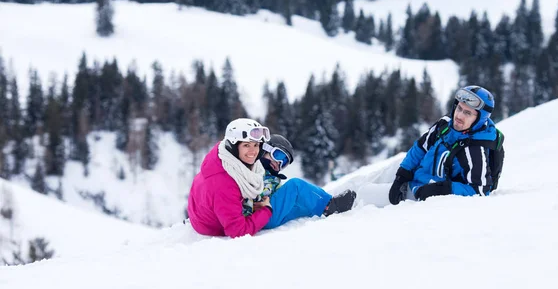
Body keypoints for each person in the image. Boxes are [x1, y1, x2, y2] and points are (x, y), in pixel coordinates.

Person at [187, 119, 356, 238]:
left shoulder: (226, 161)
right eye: (277, 155)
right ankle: (329, 205)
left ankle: (316, 206)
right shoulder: (225, 181)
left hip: (209, 220)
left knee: (295, 202)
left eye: (284, 163)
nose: (278, 163)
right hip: (237, 221)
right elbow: (237, 230)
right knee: (296, 187)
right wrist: (266, 209)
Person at [389, 85, 499, 203]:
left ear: (480, 119)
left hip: (433, 201)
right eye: (459, 108)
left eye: (468, 113)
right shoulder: (445, 124)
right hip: (415, 181)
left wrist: (443, 190)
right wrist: (402, 174)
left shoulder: (475, 150)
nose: (459, 116)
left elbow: (480, 190)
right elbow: (421, 148)